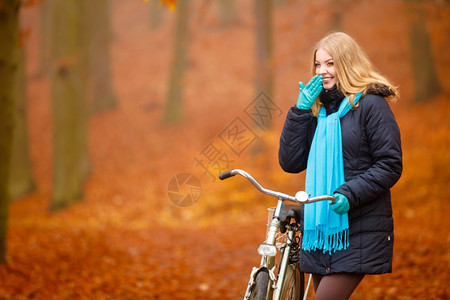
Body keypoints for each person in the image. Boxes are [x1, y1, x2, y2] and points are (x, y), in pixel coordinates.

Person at [278, 32, 403, 300]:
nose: (322, 71)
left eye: (331, 63)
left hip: (357, 228)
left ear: (347, 63)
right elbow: (290, 163)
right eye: (318, 64)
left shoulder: (371, 105)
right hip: (319, 232)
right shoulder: (317, 111)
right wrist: (300, 111)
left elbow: (390, 164)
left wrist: (350, 193)